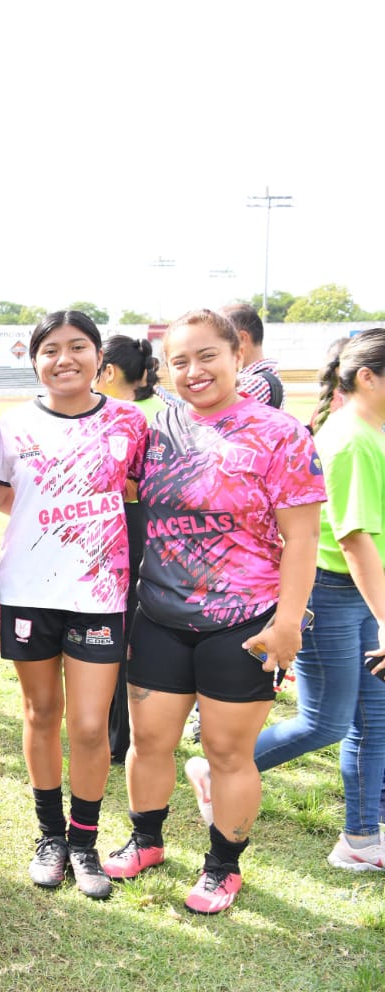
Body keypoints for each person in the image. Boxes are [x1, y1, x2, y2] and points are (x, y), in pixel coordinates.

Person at [104, 309, 324, 915]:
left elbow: (302, 540)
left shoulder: (280, 434)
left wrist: (286, 622)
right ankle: (145, 840)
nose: (194, 371)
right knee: (148, 742)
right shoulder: (156, 431)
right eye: (180, 361)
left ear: (236, 356)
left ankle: (222, 867)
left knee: (229, 753)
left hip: (245, 622)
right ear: (164, 368)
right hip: (159, 615)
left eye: (208, 357)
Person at [201, 331, 385, 870]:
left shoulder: (369, 431)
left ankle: (360, 837)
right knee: (326, 722)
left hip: (359, 594)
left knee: (373, 721)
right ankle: (221, 769)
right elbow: (353, 539)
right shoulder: (350, 438)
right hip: (330, 592)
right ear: (367, 378)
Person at [0, 311, 149, 900]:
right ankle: (49, 836)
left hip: (99, 593)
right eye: (51, 349)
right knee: (40, 715)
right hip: (29, 590)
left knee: (88, 725)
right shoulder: (11, 425)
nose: (64, 359)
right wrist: (43, 516)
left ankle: (83, 843)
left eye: (77, 347)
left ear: (98, 358)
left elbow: (137, 490)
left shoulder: (130, 422)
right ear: (34, 360)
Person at [96, 334, 167, 762]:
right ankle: (126, 733)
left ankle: (117, 737)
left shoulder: (121, 417)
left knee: (116, 634)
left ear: (106, 371)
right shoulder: (167, 410)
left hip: (125, 524)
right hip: (153, 530)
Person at [222, 303, 284, 408]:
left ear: (241, 338)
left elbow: (205, 420)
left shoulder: (255, 383)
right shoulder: (267, 376)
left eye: (219, 337)